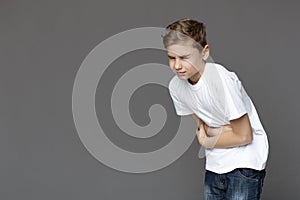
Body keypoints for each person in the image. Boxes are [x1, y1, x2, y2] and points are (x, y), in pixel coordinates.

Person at [162, 18, 269, 200]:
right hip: (215, 164)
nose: (177, 66)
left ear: (204, 53)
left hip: (244, 164)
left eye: (184, 57)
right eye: (172, 58)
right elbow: (203, 127)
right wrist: (219, 132)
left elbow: (244, 136)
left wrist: (208, 142)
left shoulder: (221, 79)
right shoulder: (176, 86)